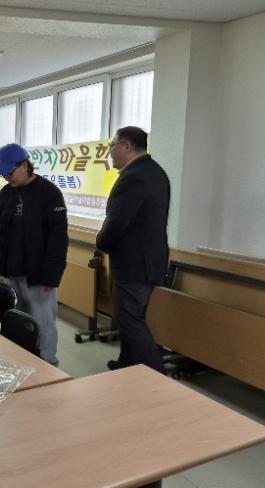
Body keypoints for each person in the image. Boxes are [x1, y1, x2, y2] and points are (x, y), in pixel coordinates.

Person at [96, 126, 170, 374]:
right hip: (148, 261)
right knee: (129, 317)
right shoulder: (155, 171)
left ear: (126, 146)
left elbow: (118, 221)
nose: (109, 152)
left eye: (111, 146)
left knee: (131, 320)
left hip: (135, 263)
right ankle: (127, 364)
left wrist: (101, 243)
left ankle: (156, 377)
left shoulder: (134, 177)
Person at [0, 143, 68, 366]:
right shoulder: (6, 193)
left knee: (43, 321)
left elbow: (58, 238)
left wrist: (51, 275)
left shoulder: (48, 193)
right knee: (18, 320)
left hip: (38, 274)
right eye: (3, 174)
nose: (7, 177)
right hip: (11, 271)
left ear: (25, 165)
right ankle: (22, 362)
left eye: (10, 172)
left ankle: (48, 364)